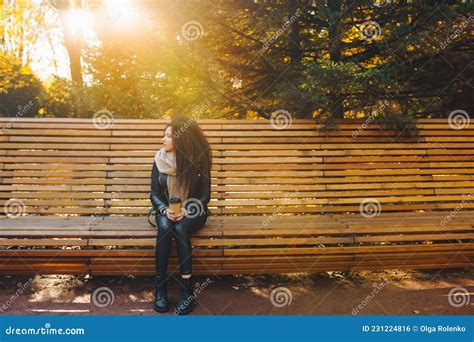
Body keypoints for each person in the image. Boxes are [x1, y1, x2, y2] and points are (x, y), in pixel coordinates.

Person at [150, 115, 212, 315]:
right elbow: (154, 194)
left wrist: (187, 209)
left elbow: (204, 196)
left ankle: (188, 290)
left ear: (180, 139)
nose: (164, 139)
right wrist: (163, 209)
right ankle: (161, 289)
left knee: (180, 226)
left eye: (169, 136)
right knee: (167, 226)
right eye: (164, 135)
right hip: (165, 209)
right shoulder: (159, 159)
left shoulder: (198, 160)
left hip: (193, 209)